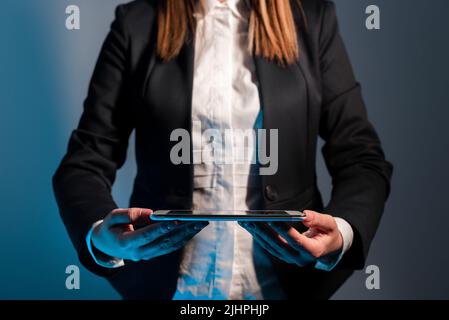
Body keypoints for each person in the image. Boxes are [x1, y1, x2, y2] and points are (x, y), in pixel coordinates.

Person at [53, 0, 393, 300]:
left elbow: (361, 158)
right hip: (169, 289)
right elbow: (83, 165)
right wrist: (101, 237)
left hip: (288, 287)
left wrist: (342, 234)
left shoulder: (313, 18)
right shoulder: (136, 22)